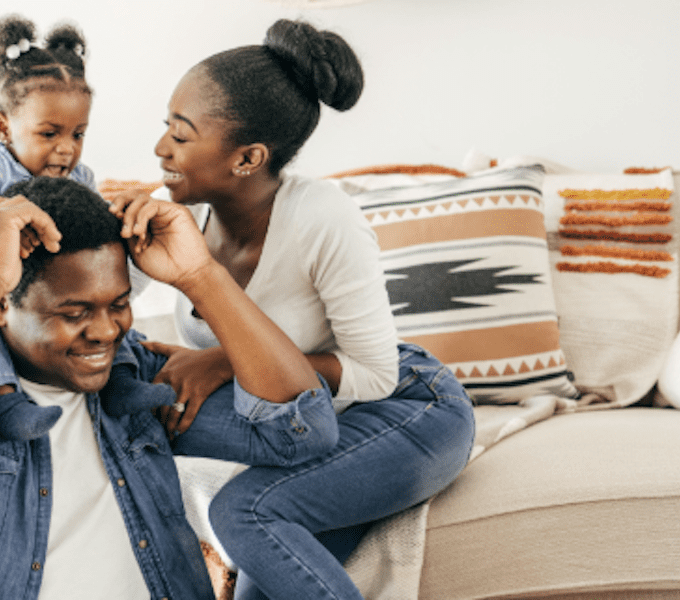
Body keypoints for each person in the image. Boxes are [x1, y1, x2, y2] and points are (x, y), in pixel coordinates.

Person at [0, 176, 341, 600]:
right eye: (75, 312)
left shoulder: (134, 377)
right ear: (1, 305)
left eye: (119, 304)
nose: (106, 330)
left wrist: (201, 274)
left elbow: (303, 431)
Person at [111, 19, 476, 600]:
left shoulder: (323, 218)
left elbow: (376, 373)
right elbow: (93, 300)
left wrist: (224, 361)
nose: (160, 150)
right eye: (165, 129)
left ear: (248, 157)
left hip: (405, 410)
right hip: (305, 425)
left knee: (243, 513)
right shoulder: (172, 213)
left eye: (180, 136)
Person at [0, 14, 159, 443]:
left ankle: (121, 382)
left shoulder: (79, 175)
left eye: (78, 134)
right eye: (49, 133)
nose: (66, 149)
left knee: (103, 310)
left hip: (28, 290)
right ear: (2, 125)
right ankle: (5, 400)